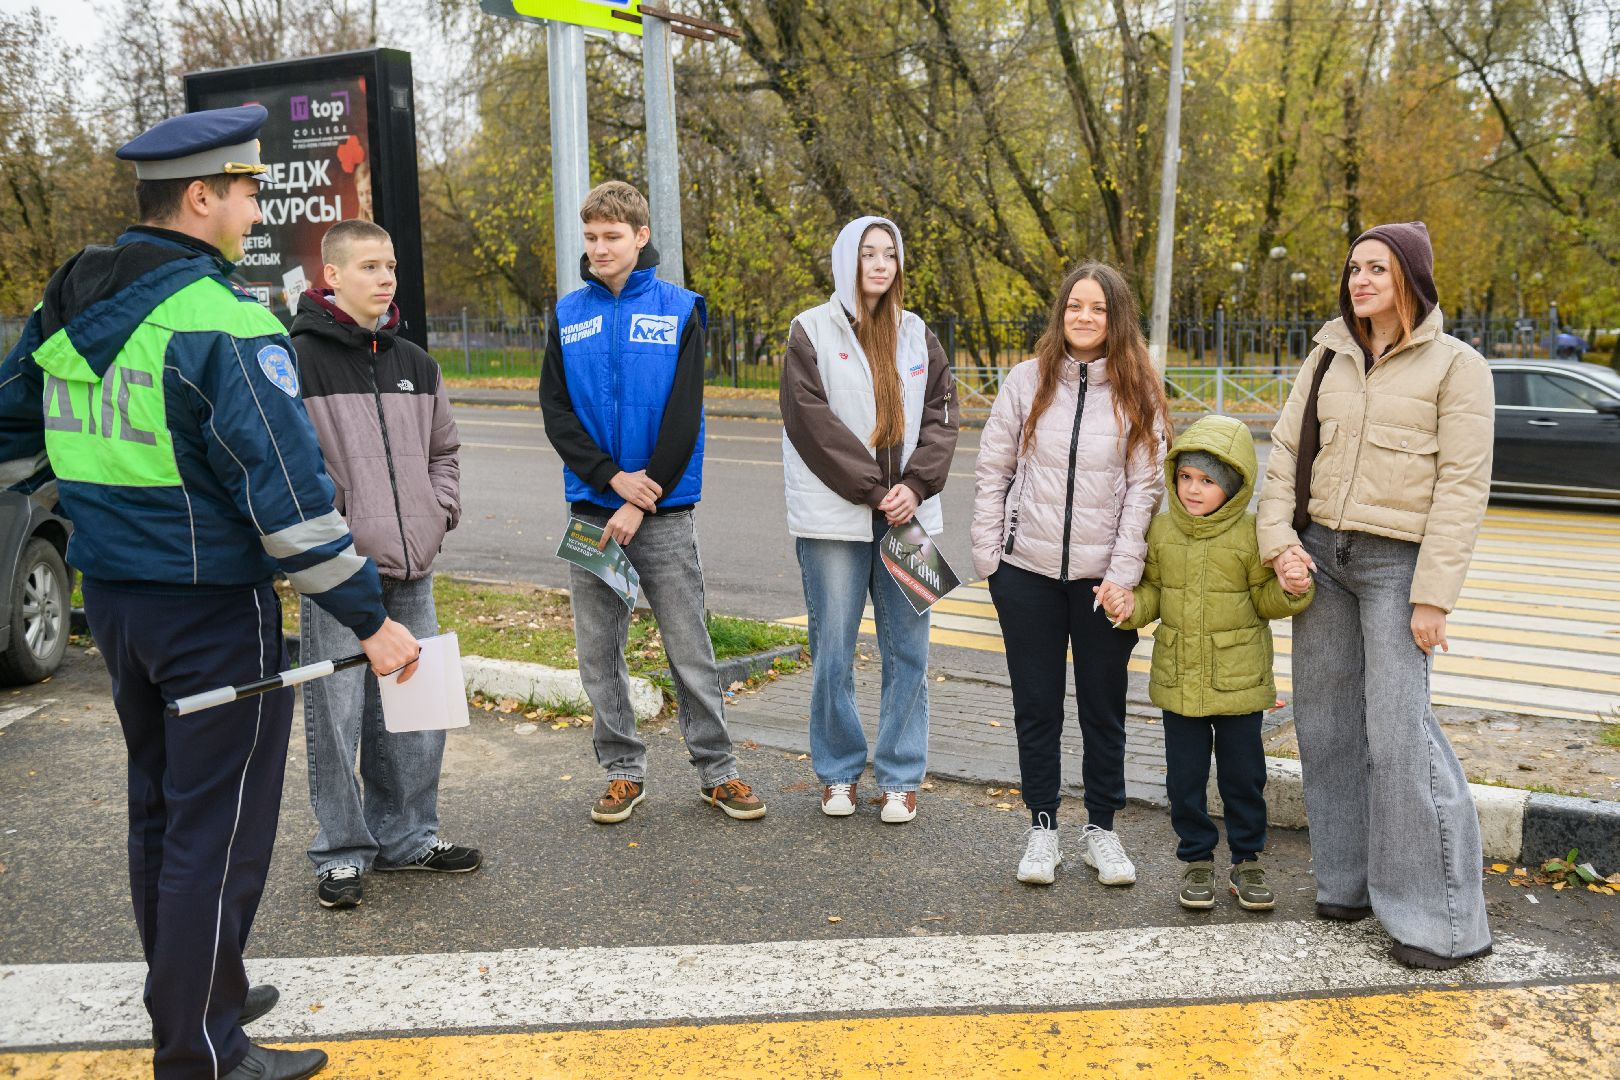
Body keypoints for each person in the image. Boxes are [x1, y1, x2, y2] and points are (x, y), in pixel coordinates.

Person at [0, 106, 420, 1080]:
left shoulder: (71, 302)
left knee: (160, 811)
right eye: (246, 189)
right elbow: (292, 509)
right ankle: (203, 1050)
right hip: (210, 614)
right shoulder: (225, 322)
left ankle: (195, 988)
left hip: (113, 602)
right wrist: (373, 621)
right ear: (202, 197)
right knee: (215, 833)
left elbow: (13, 437)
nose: (254, 203)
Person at [1257, 220, 1495, 970]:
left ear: (1410, 281)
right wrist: (1280, 545)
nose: (1360, 281)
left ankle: (1444, 923)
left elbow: (1462, 489)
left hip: (1398, 567)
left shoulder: (1459, 368)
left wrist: (1435, 597)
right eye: (1355, 268)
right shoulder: (1327, 355)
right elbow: (1287, 455)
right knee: (1325, 729)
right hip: (1322, 556)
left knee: (1400, 737)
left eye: (1378, 270)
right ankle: (1347, 885)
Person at [539, 180, 765, 824]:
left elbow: (684, 415)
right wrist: (611, 480)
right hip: (591, 510)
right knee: (597, 649)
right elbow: (557, 415)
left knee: (688, 644)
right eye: (591, 237)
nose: (600, 248)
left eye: (613, 236)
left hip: (662, 510)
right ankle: (620, 770)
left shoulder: (681, 308)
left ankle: (717, 770)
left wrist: (642, 496)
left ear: (641, 237)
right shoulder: (567, 314)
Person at [292, 219, 480, 911]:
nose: (385, 278)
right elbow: (296, 470)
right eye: (369, 266)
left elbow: (444, 453)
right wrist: (335, 538)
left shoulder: (415, 364)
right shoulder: (298, 360)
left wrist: (440, 510)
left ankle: (407, 837)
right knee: (336, 716)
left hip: (414, 567)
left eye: (391, 266)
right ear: (331, 275)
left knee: (418, 711)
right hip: (338, 575)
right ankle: (342, 851)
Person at [970, 261, 1167, 886]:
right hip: (1024, 573)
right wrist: (989, 557)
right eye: (1075, 306)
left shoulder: (1139, 389)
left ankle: (1101, 830)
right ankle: (1043, 829)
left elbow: (1145, 490)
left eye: (1099, 309)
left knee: (1104, 709)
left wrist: (1124, 574)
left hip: (1101, 583)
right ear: (1061, 313)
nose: (1084, 318)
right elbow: (992, 471)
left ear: (1117, 318)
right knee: (1037, 706)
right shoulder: (1027, 381)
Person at [780, 216, 957, 823]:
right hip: (834, 519)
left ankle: (902, 776)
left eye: (889, 255)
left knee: (909, 650)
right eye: (868, 254)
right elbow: (810, 422)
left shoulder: (918, 334)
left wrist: (913, 486)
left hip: (909, 518)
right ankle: (837, 773)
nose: (880, 265)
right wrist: (876, 488)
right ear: (845, 261)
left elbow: (940, 417)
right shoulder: (809, 330)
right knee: (832, 648)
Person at [1111, 414, 1313, 905]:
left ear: (1235, 485)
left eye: (1207, 481)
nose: (1193, 490)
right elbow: (1154, 593)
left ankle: (1247, 860)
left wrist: (1291, 590)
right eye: (1185, 477)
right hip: (1179, 680)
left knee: (1243, 776)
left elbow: (1265, 601)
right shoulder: (1162, 531)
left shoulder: (1252, 534)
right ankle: (1197, 859)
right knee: (1184, 778)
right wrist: (1129, 607)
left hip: (1239, 682)